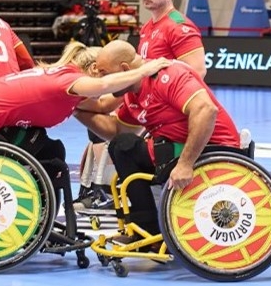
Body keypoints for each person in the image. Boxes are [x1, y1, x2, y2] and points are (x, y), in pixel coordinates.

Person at [0, 41, 170, 200]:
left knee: (52, 150)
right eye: (107, 73)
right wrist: (143, 72)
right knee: (50, 155)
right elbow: (105, 87)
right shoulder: (70, 80)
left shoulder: (67, 85)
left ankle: (42, 214)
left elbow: (104, 105)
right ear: (95, 69)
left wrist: (136, 91)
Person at [74, 40, 241, 245]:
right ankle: (148, 231)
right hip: (172, 147)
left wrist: (186, 164)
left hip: (213, 148)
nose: (102, 80)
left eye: (104, 73)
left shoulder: (168, 75)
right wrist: (75, 109)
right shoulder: (133, 94)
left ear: (124, 69)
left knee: (125, 146)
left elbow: (206, 110)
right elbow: (116, 131)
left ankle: (150, 232)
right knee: (122, 145)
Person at [75, 0, 207, 211]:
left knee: (121, 141)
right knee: (106, 123)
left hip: (168, 103)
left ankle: (116, 197)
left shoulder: (179, 27)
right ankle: (108, 194)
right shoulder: (147, 28)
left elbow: (197, 71)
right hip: (145, 96)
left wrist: (161, 85)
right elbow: (134, 72)